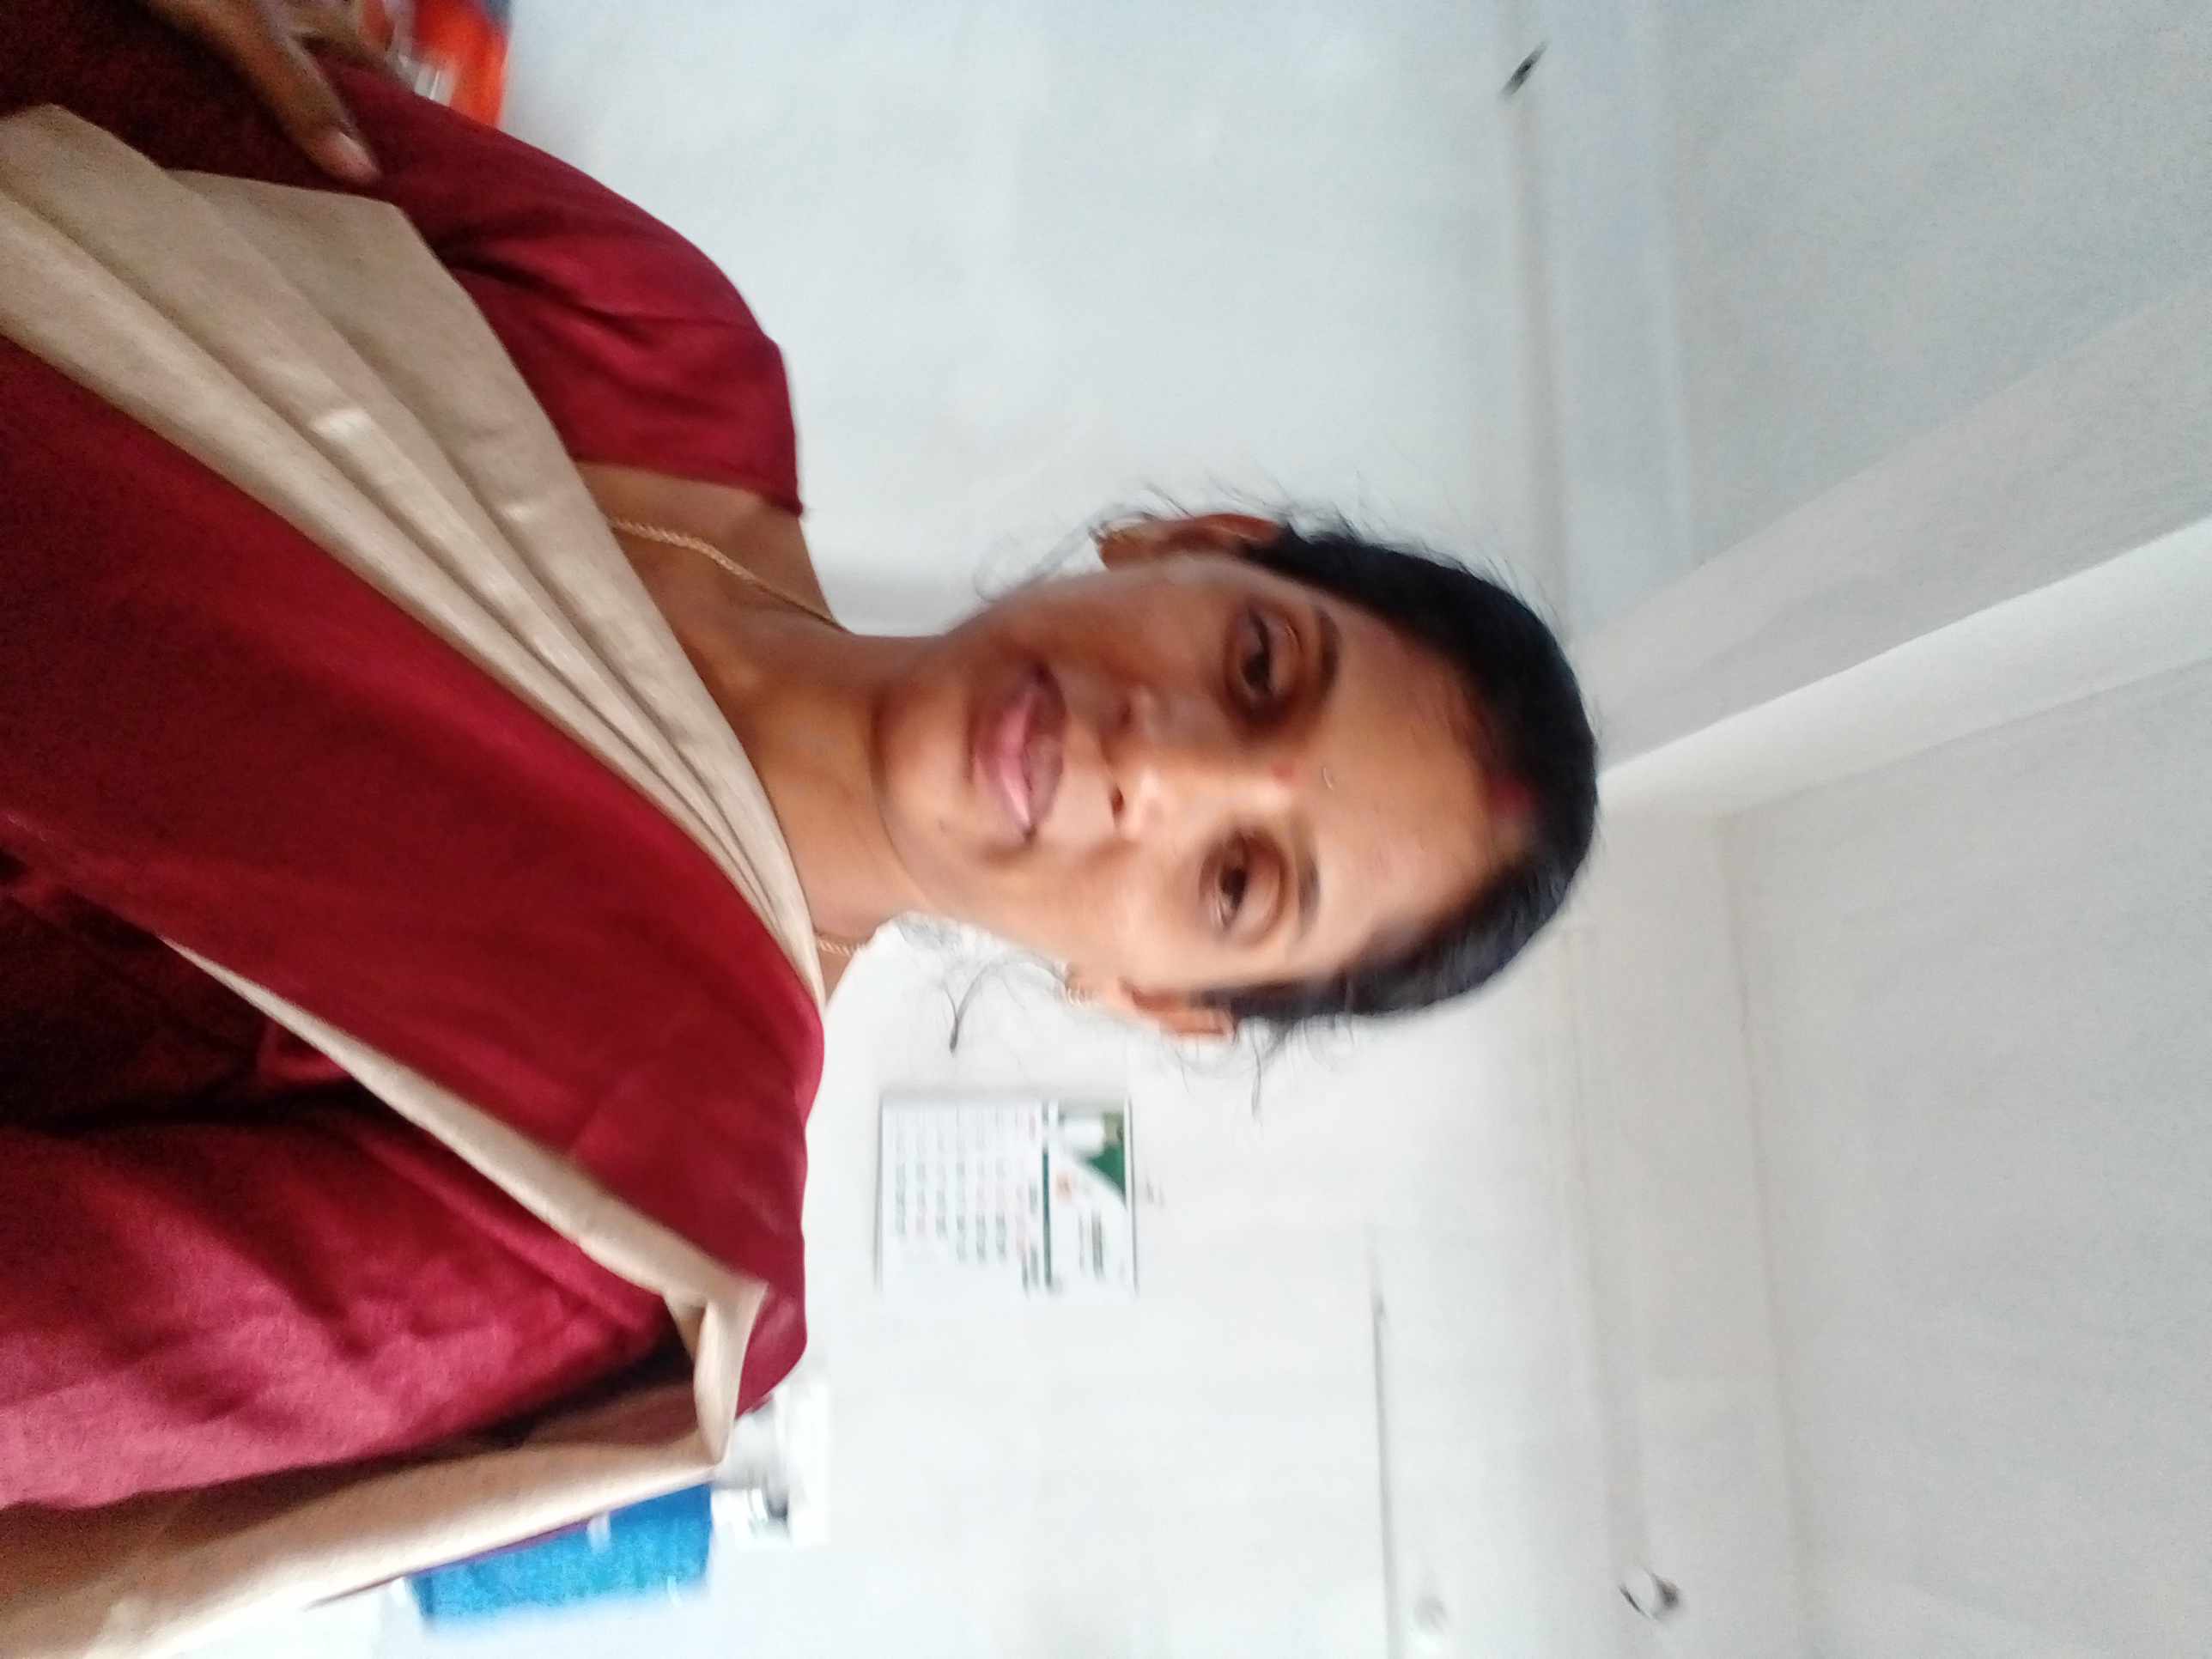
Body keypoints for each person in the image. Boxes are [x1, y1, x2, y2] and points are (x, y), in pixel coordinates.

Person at [0, 0, 1597, 1646]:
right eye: (1259, 670)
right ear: (1197, 542)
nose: (1161, 771)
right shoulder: (655, 339)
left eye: (1241, 880)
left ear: (1160, 998)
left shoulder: (633, 1220)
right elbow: (96, 83)